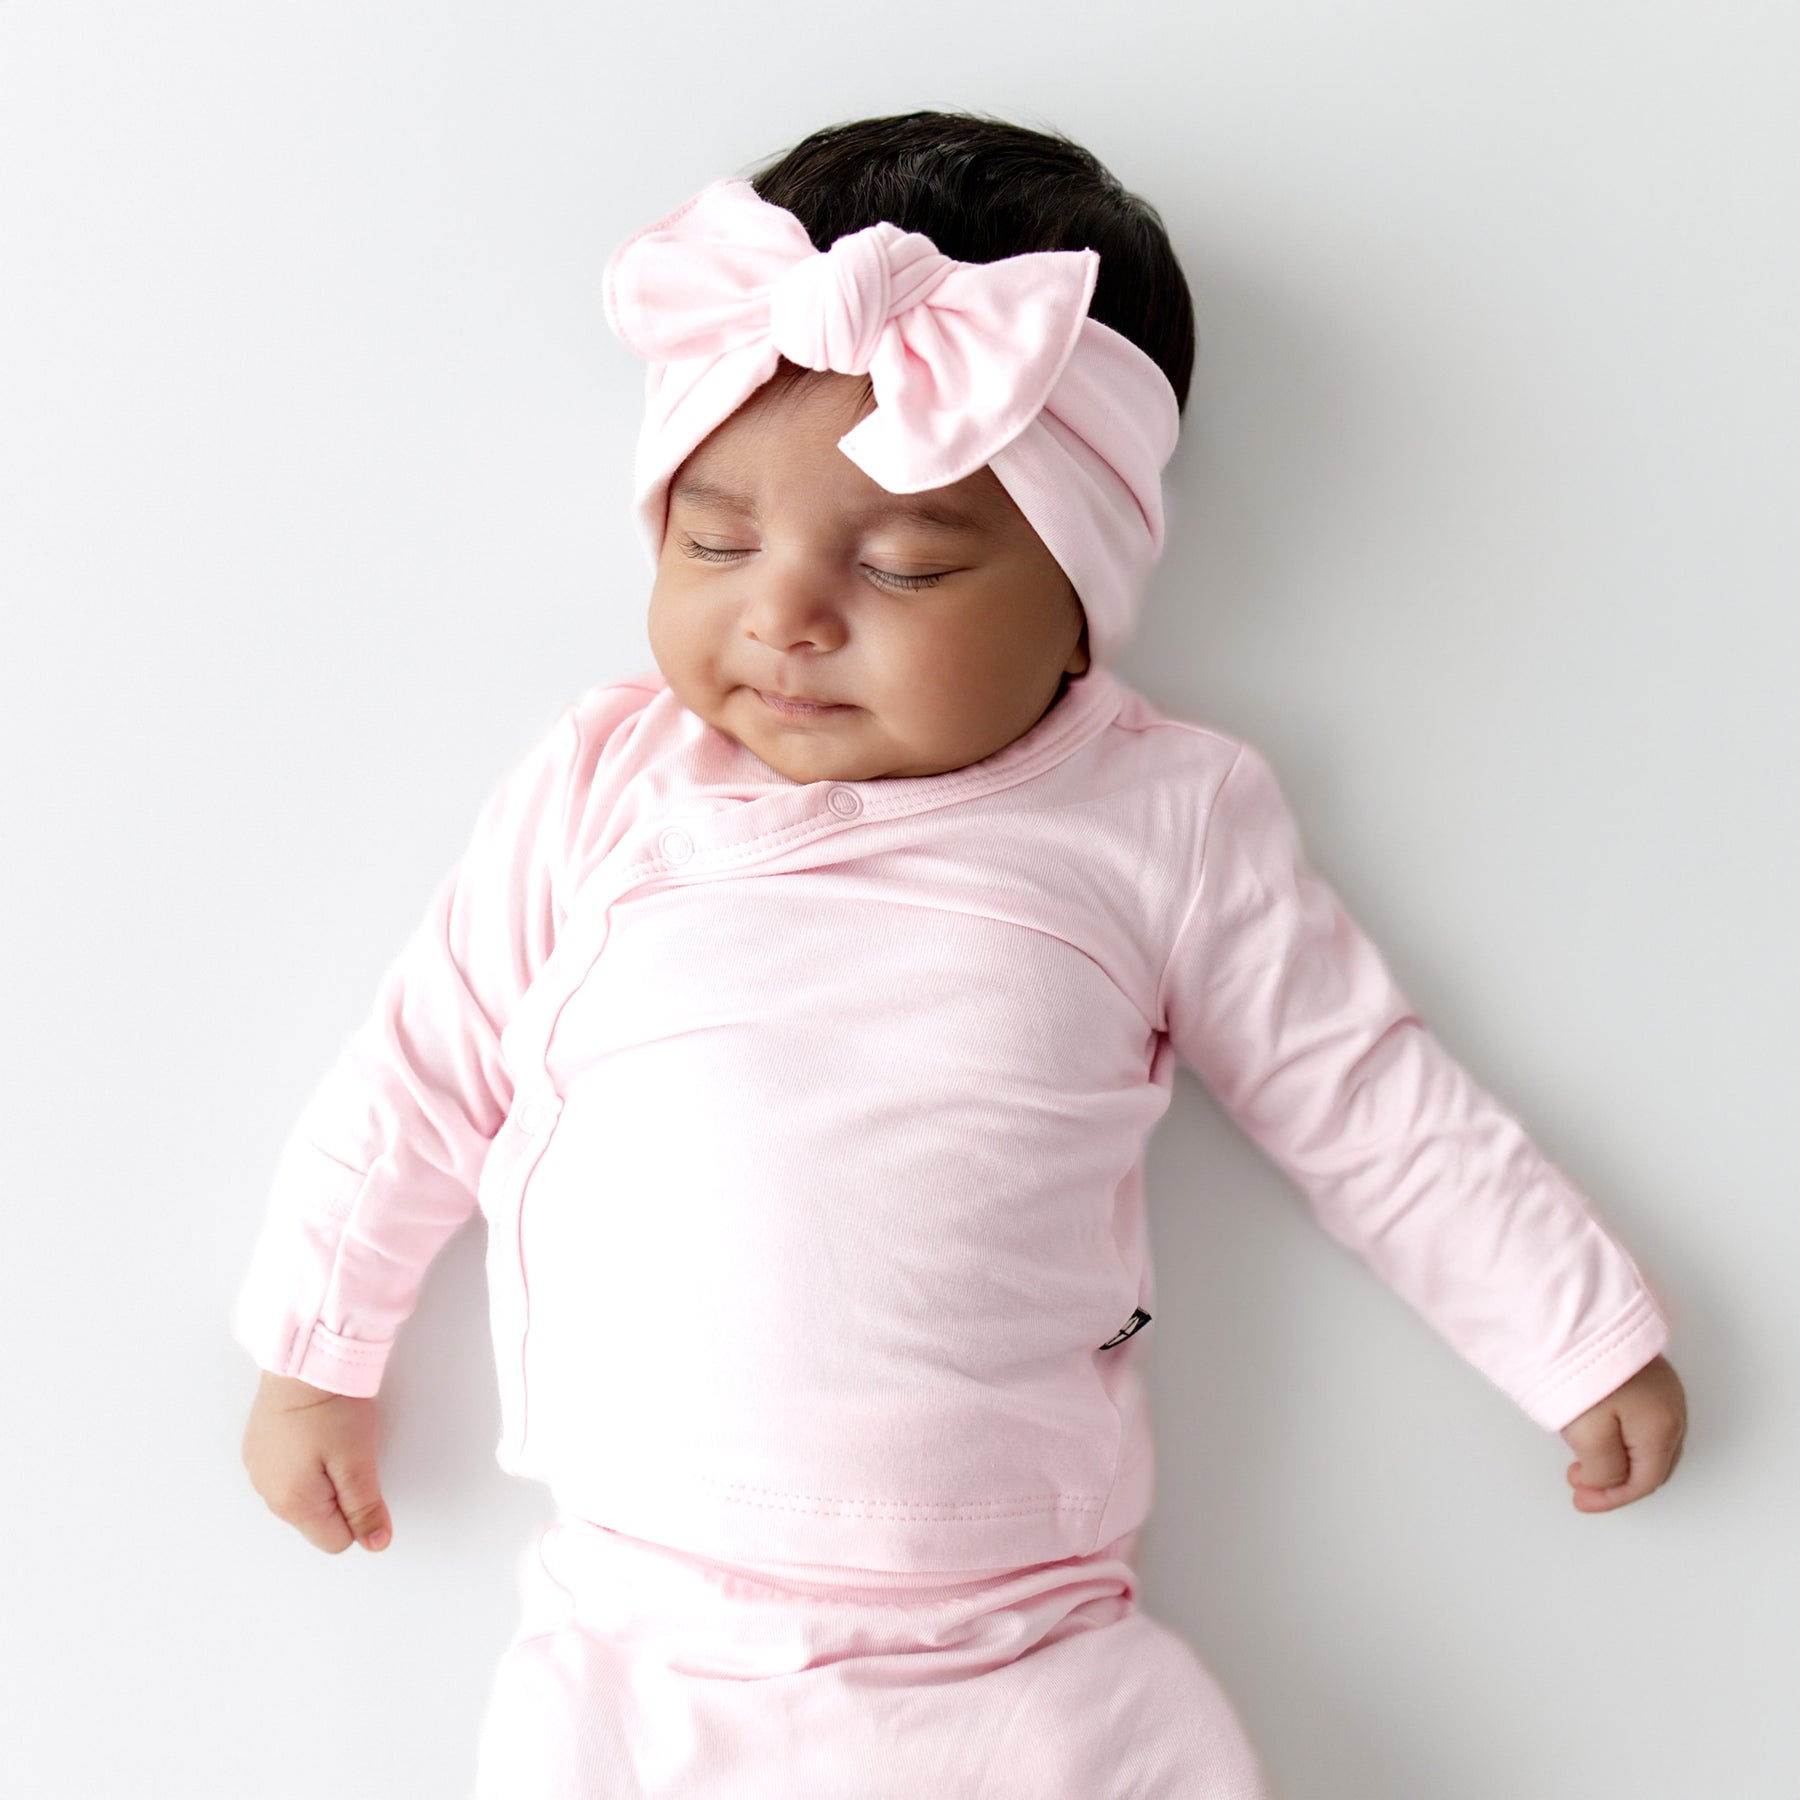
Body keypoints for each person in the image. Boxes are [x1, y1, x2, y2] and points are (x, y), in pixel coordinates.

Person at [234, 111, 1687, 1798]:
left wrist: (1573, 1332)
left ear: (1079, 601)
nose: (784, 613)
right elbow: (422, 1070)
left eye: (905, 562)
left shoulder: (1161, 817)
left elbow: (1364, 1103)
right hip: (641, 1630)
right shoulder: (604, 784)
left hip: (1014, 1633)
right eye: (715, 541)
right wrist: (315, 1349)